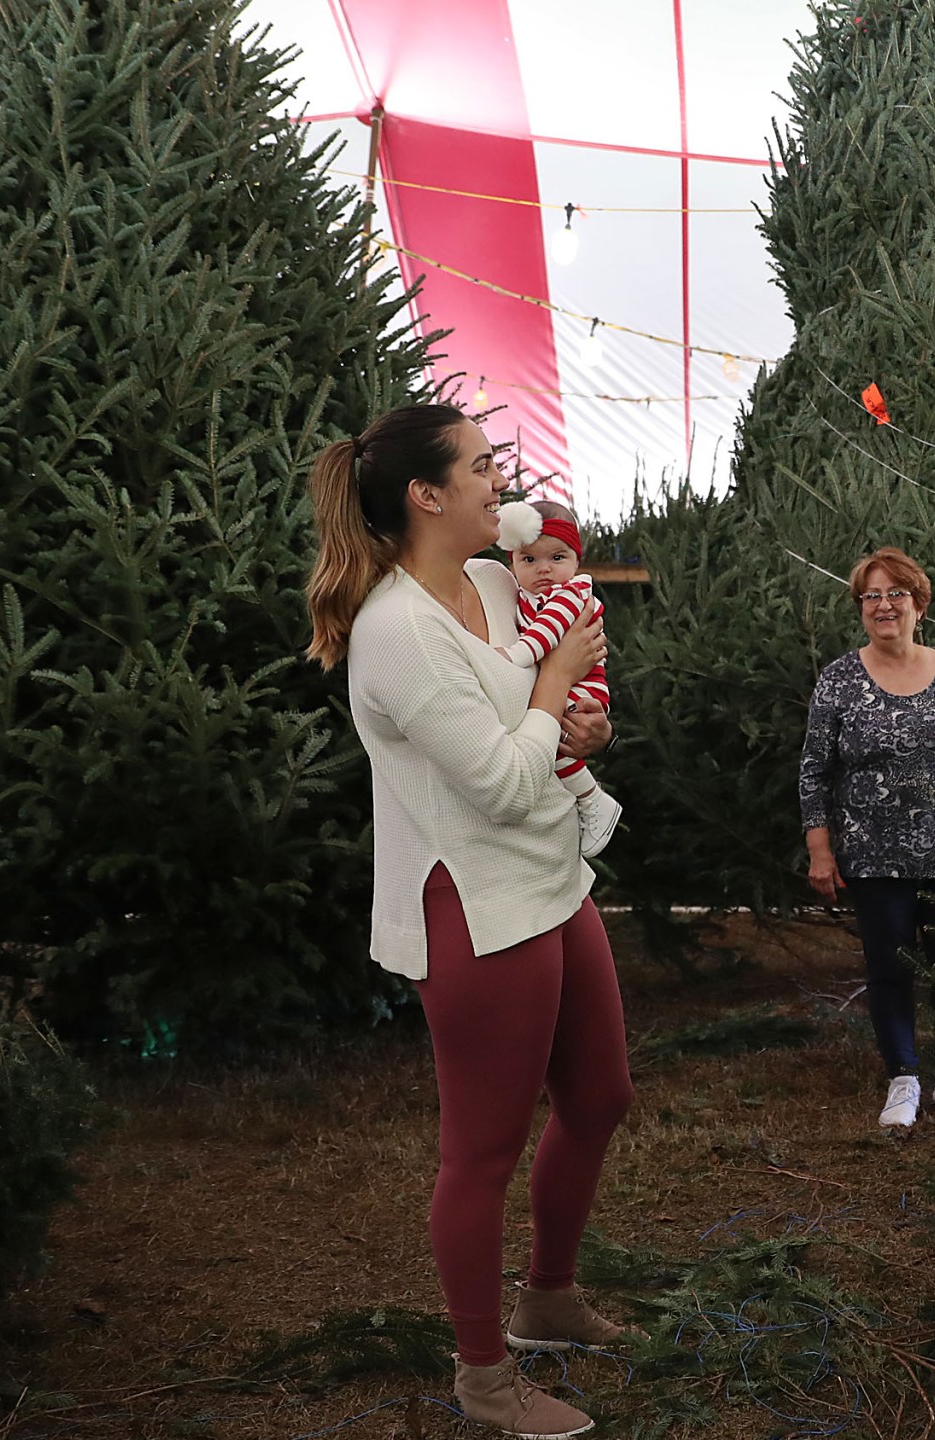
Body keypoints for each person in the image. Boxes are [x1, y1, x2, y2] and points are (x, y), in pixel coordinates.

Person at [305, 403, 632, 1439]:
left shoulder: (495, 582)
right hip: (474, 905)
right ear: (426, 494)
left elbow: (543, 730)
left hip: (551, 876)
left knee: (601, 1096)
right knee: (481, 1152)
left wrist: (587, 718)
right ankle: (483, 1375)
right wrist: (552, 683)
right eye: (484, 467)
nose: (504, 482)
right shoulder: (398, 633)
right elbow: (494, 780)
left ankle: (549, 1299)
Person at [798, 547, 935, 1129]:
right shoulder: (840, 679)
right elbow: (815, 768)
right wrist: (820, 848)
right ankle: (904, 1081)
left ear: (919, 604)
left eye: (896, 594)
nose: (884, 605)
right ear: (861, 608)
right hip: (873, 856)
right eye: (871, 596)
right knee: (890, 969)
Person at [490, 498, 621, 858]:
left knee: (553, 742)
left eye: (557, 558)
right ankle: (590, 799)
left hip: (583, 687)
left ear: (576, 561)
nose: (543, 569)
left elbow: (549, 631)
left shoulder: (573, 592)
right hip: (564, 681)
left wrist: (515, 655)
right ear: (512, 562)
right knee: (551, 742)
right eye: (529, 560)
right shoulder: (523, 596)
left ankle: (593, 800)